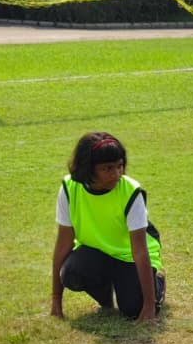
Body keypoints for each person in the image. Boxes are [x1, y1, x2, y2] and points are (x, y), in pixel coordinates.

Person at [51, 131, 166, 322]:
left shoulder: (131, 191)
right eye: (107, 168)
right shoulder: (69, 188)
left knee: (132, 309)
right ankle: (106, 297)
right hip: (97, 253)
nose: (117, 174)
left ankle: (158, 281)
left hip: (129, 256)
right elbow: (63, 245)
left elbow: (139, 250)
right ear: (88, 168)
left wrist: (149, 305)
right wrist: (56, 301)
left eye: (120, 166)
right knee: (71, 272)